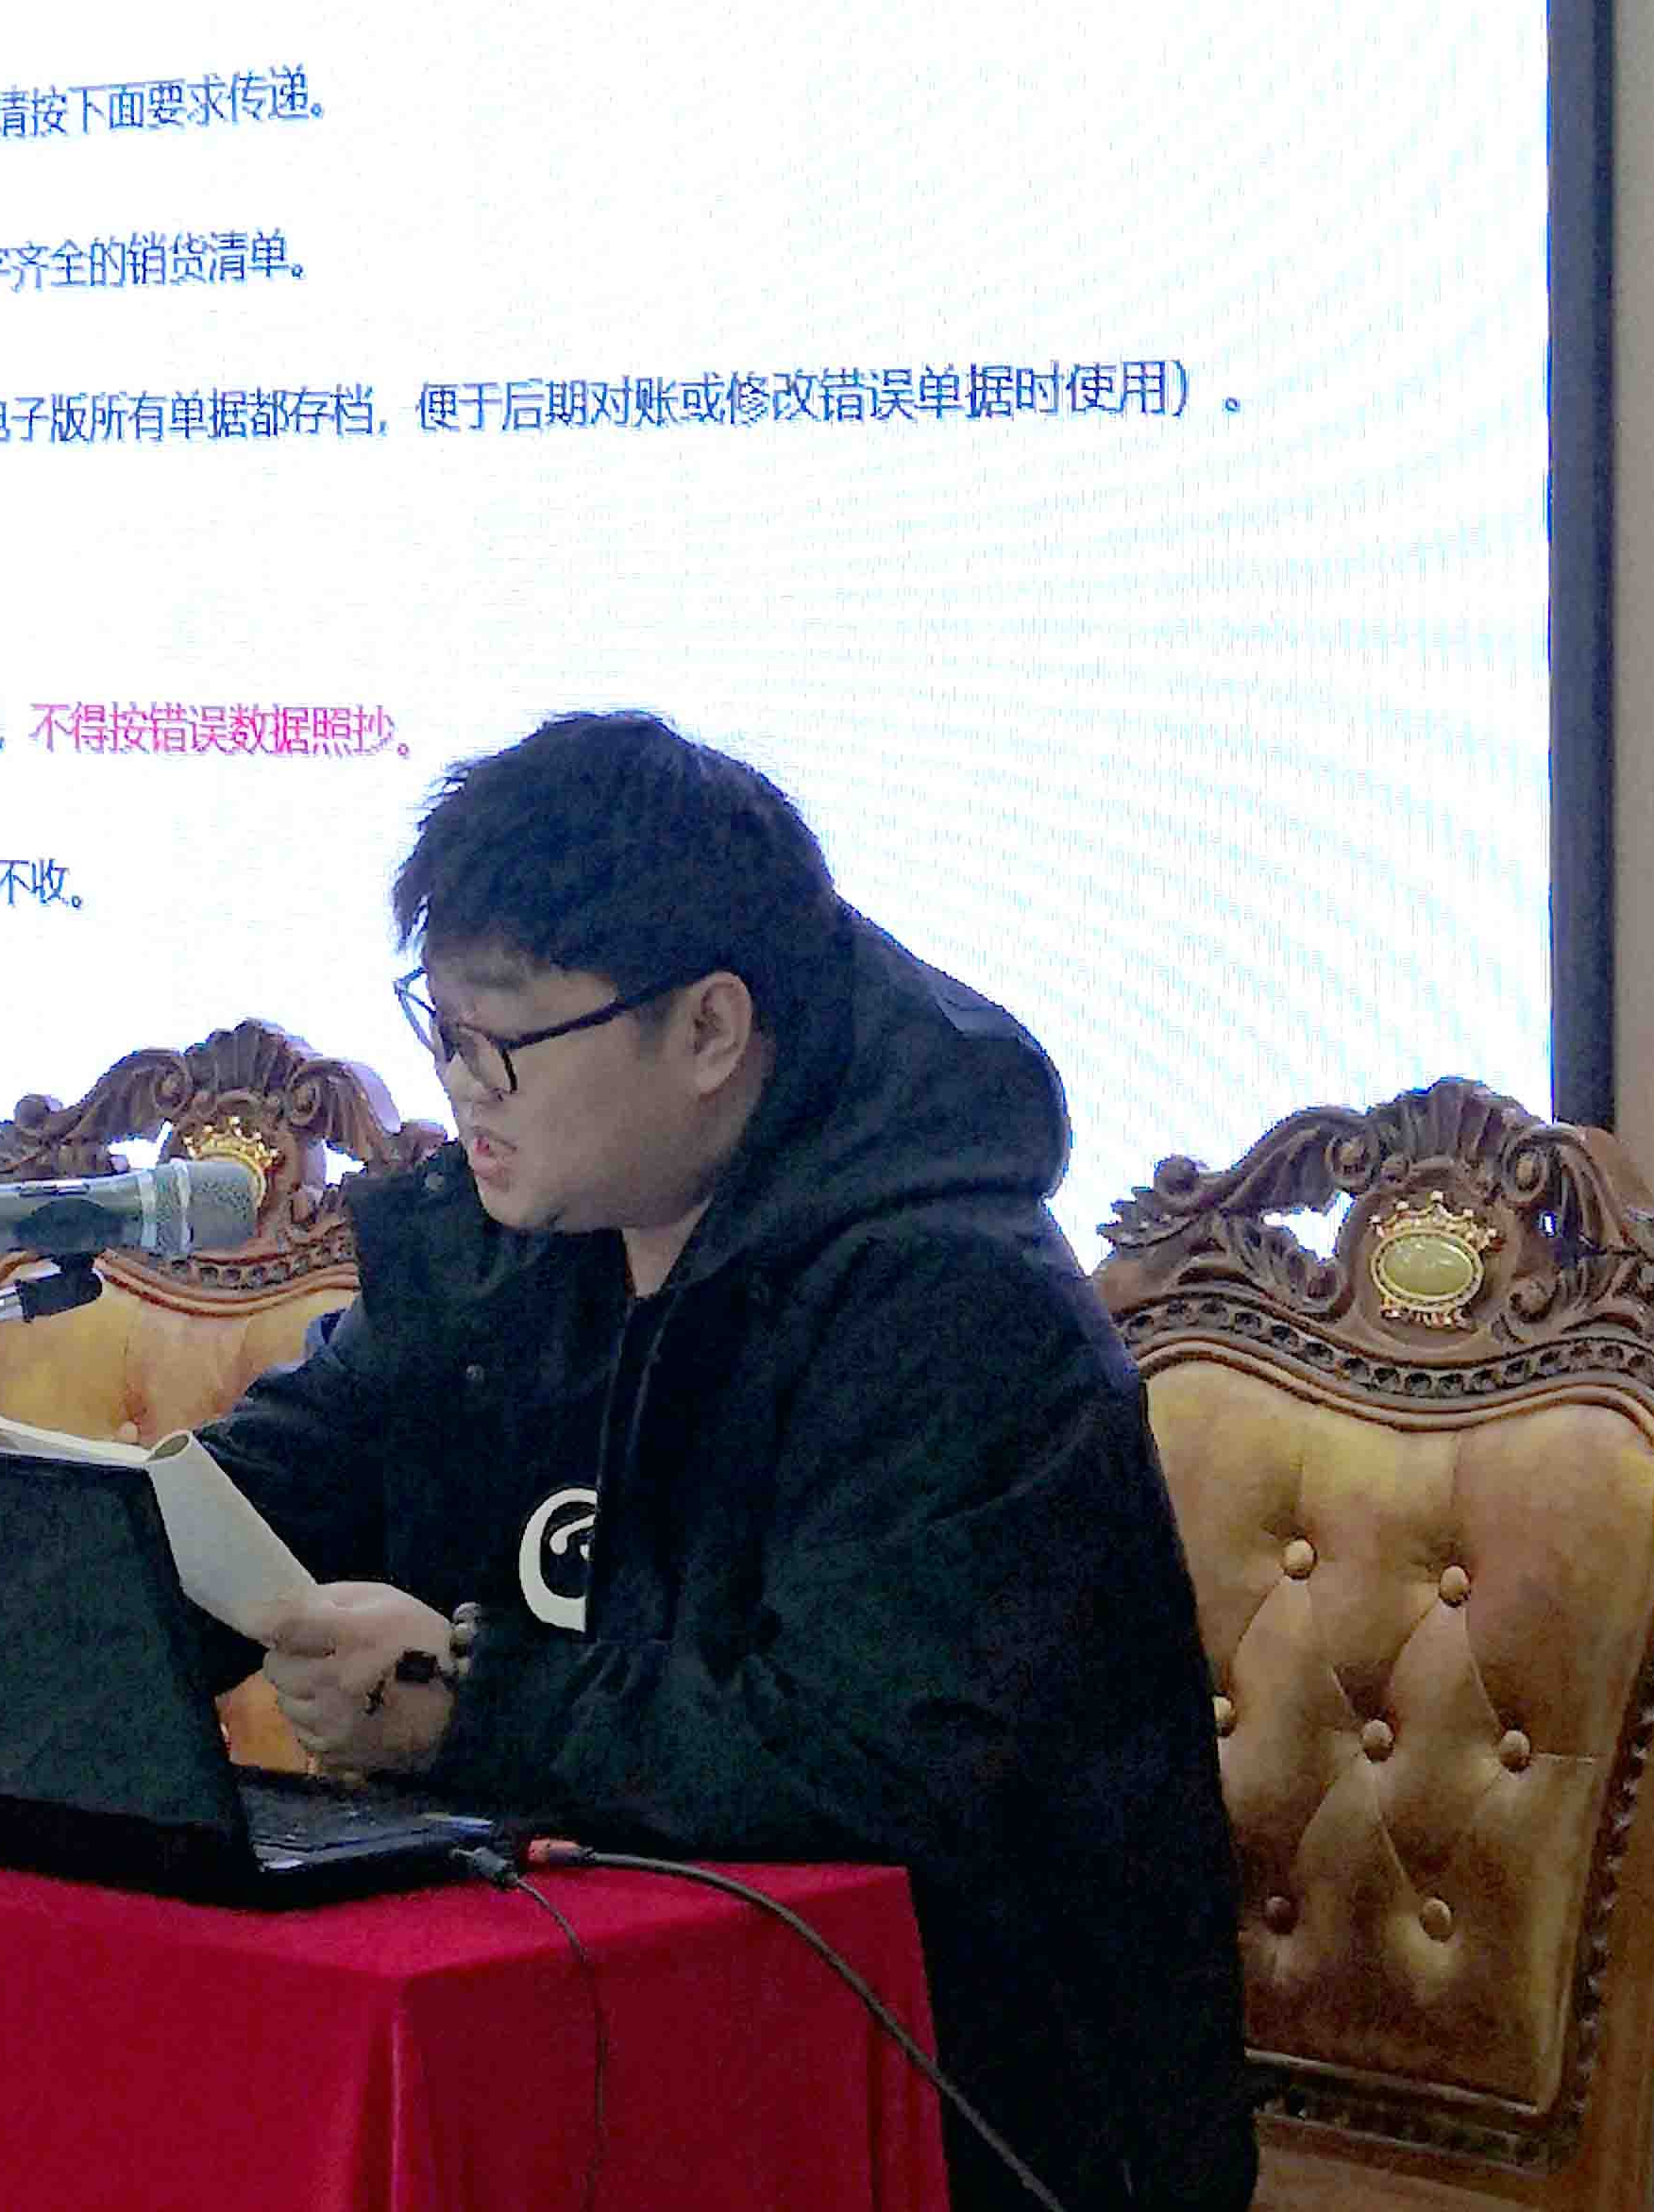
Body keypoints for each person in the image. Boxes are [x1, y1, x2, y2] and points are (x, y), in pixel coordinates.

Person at [190, 711, 1254, 2212]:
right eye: (441, 1030)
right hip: (598, 2042)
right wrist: (68, 1596)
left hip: (951, 2117)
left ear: (708, 1030)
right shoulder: (517, 1243)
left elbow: (864, 1766)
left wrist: (467, 1699)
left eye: (505, 1045)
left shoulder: (955, 1314)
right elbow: (276, 1478)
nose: (463, 1088)